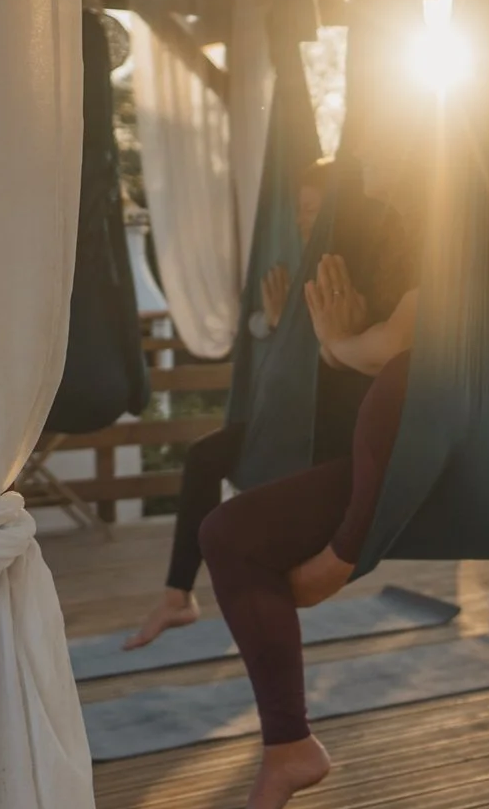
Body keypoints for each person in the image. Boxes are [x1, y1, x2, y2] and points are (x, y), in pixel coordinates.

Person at [191, 155, 423, 809]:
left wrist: (340, 344)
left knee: (232, 531)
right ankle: (288, 743)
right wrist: (337, 345)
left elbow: (401, 349)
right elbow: (365, 352)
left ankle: (339, 559)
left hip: (437, 448)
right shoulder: (379, 240)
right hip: (381, 443)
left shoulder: (447, 226)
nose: (363, 152)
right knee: (228, 531)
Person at [123, 160, 353, 649]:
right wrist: (274, 325)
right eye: (298, 211)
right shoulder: (300, 266)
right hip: (287, 424)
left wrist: (286, 327)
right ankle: (177, 595)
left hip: (330, 433)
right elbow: (270, 353)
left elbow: (340, 360)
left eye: (313, 209)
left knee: (243, 521)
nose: (301, 220)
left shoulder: (346, 267)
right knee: (205, 457)